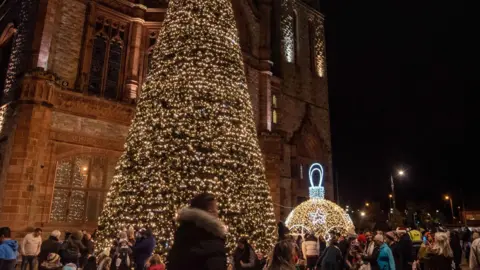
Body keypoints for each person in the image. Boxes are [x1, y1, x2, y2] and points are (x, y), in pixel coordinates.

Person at [167, 193, 227, 270]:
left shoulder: (182, 234)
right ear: (209, 212)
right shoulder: (211, 238)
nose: (217, 214)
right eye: (215, 210)